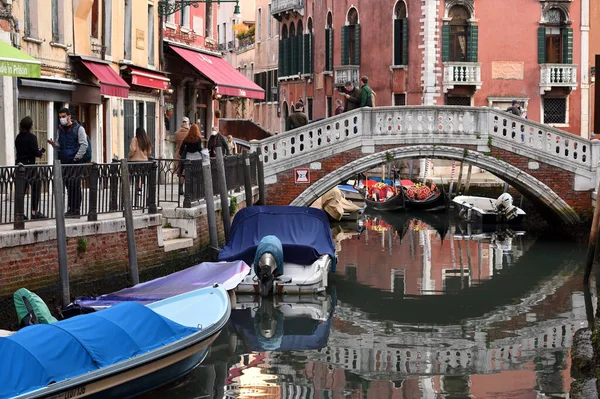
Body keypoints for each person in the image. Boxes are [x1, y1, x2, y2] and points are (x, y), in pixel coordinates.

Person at [47, 107, 88, 217]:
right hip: (64, 162)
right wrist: (53, 144)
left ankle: (76, 209)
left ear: (69, 116)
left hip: (75, 162)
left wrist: (77, 157)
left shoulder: (79, 129)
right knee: (68, 186)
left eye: (64, 117)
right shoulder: (60, 129)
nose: (62, 119)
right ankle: (71, 208)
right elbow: (60, 146)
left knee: (75, 185)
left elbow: (84, 144)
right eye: (60, 117)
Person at [15, 116, 46, 220]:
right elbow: (35, 152)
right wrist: (41, 152)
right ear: (30, 126)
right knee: (36, 186)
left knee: (21, 190)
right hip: (30, 166)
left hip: (19, 166)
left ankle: (19, 213)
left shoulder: (18, 137)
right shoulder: (31, 137)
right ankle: (34, 211)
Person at [166, 117, 190, 195]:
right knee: (187, 172)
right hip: (188, 154)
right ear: (187, 123)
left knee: (181, 173)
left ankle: (180, 188)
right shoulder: (189, 133)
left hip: (179, 153)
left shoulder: (177, 133)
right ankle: (188, 190)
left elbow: (176, 141)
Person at [128, 127, 153, 195]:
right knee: (140, 175)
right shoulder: (146, 140)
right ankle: (139, 188)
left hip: (134, 160)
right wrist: (145, 155)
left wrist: (130, 155)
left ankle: (133, 188)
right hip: (144, 161)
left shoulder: (135, 139)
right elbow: (149, 151)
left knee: (132, 174)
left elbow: (133, 149)